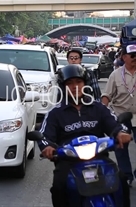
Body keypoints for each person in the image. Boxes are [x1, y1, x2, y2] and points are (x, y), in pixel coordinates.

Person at [39, 64, 132, 207]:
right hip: (68, 161)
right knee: (58, 187)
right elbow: (45, 136)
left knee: (121, 180)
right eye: (69, 83)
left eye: (78, 82)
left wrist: (121, 133)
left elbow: (114, 124)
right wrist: (48, 148)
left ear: (85, 84)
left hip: (99, 157)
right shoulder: (55, 113)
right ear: (63, 87)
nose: (74, 86)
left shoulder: (98, 107)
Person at [102, 44, 136, 186]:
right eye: (132, 56)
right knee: (121, 147)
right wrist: (102, 111)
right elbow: (106, 95)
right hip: (121, 115)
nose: (135, 58)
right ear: (124, 57)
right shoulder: (115, 75)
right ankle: (126, 175)